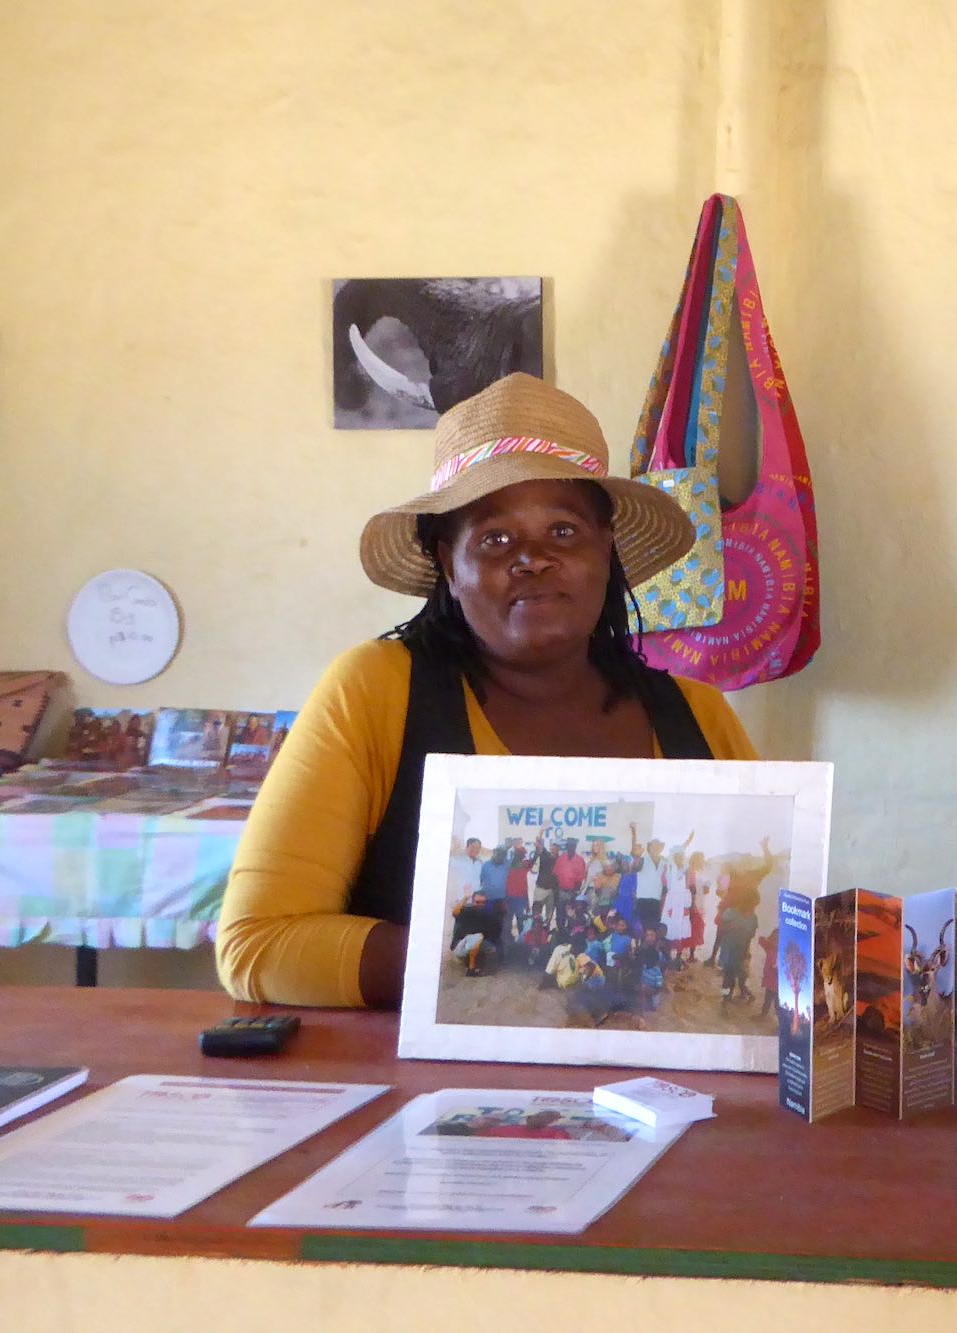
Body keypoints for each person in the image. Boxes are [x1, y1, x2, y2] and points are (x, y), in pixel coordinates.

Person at [214, 374, 759, 1007]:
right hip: (424, 1096)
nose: (531, 558)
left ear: (606, 552)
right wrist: (506, 967)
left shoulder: (699, 715)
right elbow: (258, 945)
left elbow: (768, 907)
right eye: (495, 539)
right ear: (449, 563)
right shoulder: (373, 691)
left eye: (563, 531)